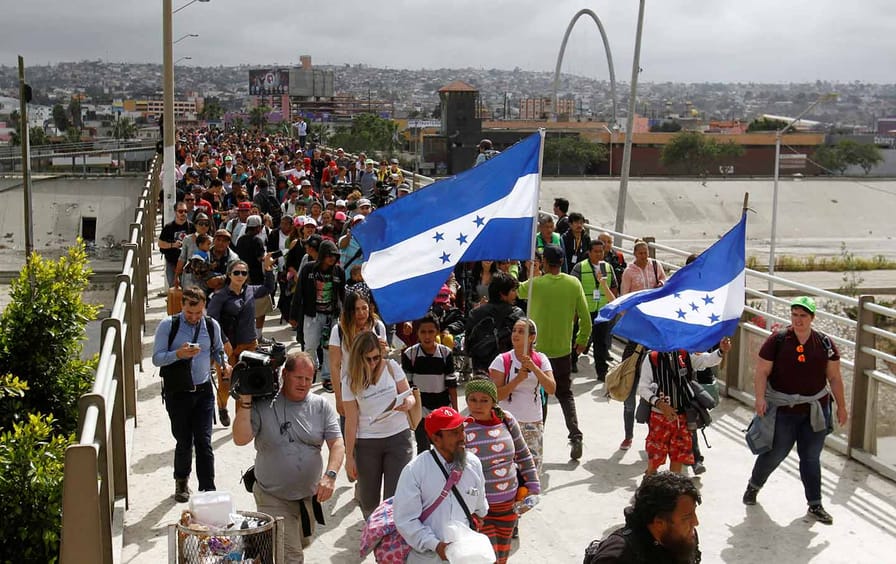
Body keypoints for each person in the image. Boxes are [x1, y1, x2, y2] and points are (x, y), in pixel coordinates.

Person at [742, 296, 848, 525]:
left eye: (803, 316)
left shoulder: (825, 343)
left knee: (810, 457)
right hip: (784, 409)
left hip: (815, 409)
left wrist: (842, 406)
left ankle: (815, 504)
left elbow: (834, 377)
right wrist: (760, 398)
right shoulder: (778, 340)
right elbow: (762, 372)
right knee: (775, 453)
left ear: (812, 318)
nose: (798, 320)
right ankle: (753, 486)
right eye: (795, 315)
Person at [232, 352, 345, 564]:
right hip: (272, 496)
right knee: (292, 557)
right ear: (285, 374)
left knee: (300, 543)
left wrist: (330, 475)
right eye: (298, 378)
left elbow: (337, 443)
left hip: (307, 498)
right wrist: (245, 402)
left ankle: (258, 545)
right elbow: (240, 439)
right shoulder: (263, 403)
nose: (303, 383)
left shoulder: (321, 406)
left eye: (308, 379)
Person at [151, 287, 228, 502]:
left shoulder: (211, 325)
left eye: (198, 313)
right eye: (189, 313)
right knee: (184, 441)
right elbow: (157, 358)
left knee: (204, 441)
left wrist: (224, 364)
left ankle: (207, 489)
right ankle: (181, 481)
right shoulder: (169, 325)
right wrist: (179, 354)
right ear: (182, 306)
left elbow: (218, 351)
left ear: (204, 308)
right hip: (178, 392)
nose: (194, 318)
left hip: (203, 390)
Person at [517, 244, 591, 460]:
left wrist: (534, 272)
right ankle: (575, 435)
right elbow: (585, 319)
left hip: (537, 352)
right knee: (565, 394)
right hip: (562, 350)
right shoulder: (573, 283)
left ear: (545, 262)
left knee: (539, 396)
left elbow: (517, 290)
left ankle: (538, 436)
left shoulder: (535, 285)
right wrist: (582, 340)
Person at [394, 407, 489, 564]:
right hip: (427, 557)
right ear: (436, 439)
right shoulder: (415, 471)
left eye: (462, 430)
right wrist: (437, 546)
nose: (462, 437)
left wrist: (478, 519)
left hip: (465, 556)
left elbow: (480, 508)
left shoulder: (473, 464)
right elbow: (405, 521)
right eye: (454, 433)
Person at [464, 378, 540, 563]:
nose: (478, 405)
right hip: (479, 510)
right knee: (487, 557)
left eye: (484, 400)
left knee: (502, 556)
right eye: (473, 399)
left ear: (493, 402)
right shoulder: (462, 428)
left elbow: (523, 455)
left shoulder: (507, 420)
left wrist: (533, 487)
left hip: (509, 506)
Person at [342, 330, 415, 519]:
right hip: (367, 441)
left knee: (395, 499)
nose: (373, 363)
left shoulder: (392, 367)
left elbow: (410, 396)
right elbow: (351, 420)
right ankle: (374, 535)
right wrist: (349, 456)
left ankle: (391, 543)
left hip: (398, 436)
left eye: (376, 357)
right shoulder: (349, 380)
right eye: (368, 359)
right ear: (358, 358)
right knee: (369, 501)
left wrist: (407, 403)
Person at [637, 342, 729, 475]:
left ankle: (673, 490)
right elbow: (643, 388)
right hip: (659, 418)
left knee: (678, 460)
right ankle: (649, 487)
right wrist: (661, 405)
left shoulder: (685, 354)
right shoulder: (652, 358)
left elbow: (706, 360)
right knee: (654, 460)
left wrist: (721, 351)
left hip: (682, 418)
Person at [207, 258, 276, 426]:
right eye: (236, 272)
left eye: (243, 273)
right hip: (227, 347)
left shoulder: (251, 290)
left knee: (245, 383)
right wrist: (223, 341)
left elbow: (269, 287)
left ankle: (241, 419)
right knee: (225, 383)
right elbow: (211, 321)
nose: (240, 276)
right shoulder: (220, 296)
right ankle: (222, 407)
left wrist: (268, 269)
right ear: (229, 274)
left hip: (249, 344)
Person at [584, 472, 701, 564]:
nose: (695, 522)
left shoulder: (683, 537)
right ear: (659, 523)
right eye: (686, 517)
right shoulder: (618, 557)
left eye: (694, 512)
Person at [489, 318, 555, 475]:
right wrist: (518, 379)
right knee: (507, 470)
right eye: (514, 330)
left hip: (533, 421)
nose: (515, 334)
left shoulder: (541, 359)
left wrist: (534, 367)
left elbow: (551, 388)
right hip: (507, 422)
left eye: (521, 331)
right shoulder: (502, 360)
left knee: (532, 471)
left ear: (532, 338)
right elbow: (496, 396)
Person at [289, 240, 346, 392]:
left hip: (331, 316)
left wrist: (344, 315)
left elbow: (343, 295)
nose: (332, 258)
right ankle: (309, 373)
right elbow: (299, 292)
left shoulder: (339, 272)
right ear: (322, 255)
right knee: (310, 346)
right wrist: (293, 315)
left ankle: (327, 378)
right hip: (311, 315)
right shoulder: (308, 269)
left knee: (330, 348)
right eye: (329, 255)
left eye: (335, 255)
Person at [329, 292, 388, 423]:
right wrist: (338, 398)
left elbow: (381, 361)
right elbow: (334, 366)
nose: (361, 313)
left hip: (376, 390)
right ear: (349, 311)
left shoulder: (378, 327)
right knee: (350, 432)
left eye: (364, 308)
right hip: (350, 390)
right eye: (356, 309)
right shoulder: (339, 331)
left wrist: (383, 350)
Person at [402, 315, 458, 453]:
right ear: (417, 333)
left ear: (437, 333)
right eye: (423, 332)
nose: (427, 336)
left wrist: (455, 412)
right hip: (420, 412)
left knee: (445, 447)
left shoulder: (446, 353)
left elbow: (451, 385)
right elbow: (406, 387)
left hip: (442, 409)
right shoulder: (410, 354)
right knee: (423, 449)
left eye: (431, 332)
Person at [570, 239, 617, 381]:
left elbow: (613, 285)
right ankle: (572, 360)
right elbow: (573, 288)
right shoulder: (580, 267)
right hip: (584, 309)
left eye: (601, 251)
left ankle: (601, 371)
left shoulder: (607, 268)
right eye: (595, 251)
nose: (598, 254)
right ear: (589, 252)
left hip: (602, 310)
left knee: (600, 342)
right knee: (577, 336)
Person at [464, 271, 525, 374]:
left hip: (481, 370)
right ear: (502, 294)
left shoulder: (475, 313)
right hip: (509, 369)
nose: (516, 294)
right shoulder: (517, 314)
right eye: (513, 290)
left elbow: (468, 346)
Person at [158, 201, 194, 287]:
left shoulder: (192, 227)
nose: (183, 213)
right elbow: (160, 243)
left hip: (188, 264)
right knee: (174, 288)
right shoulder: (168, 227)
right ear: (175, 212)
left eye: (185, 211)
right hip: (172, 262)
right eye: (180, 211)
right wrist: (172, 245)